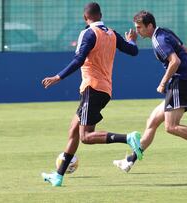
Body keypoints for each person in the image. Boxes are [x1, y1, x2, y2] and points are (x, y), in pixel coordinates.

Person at [41, 2, 143, 187]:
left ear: (85, 18)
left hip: (92, 88)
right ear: (101, 15)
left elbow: (79, 59)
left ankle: (128, 138)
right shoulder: (111, 33)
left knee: (86, 137)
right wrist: (132, 40)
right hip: (104, 90)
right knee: (73, 129)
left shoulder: (88, 33)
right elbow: (132, 51)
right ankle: (58, 176)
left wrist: (58, 76)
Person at [113, 10, 187, 173]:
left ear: (149, 26)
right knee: (152, 121)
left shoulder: (159, 40)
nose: (137, 31)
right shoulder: (165, 32)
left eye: (139, 27)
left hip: (180, 83)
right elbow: (186, 50)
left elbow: (175, 61)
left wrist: (163, 83)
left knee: (171, 127)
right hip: (184, 81)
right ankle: (130, 161)